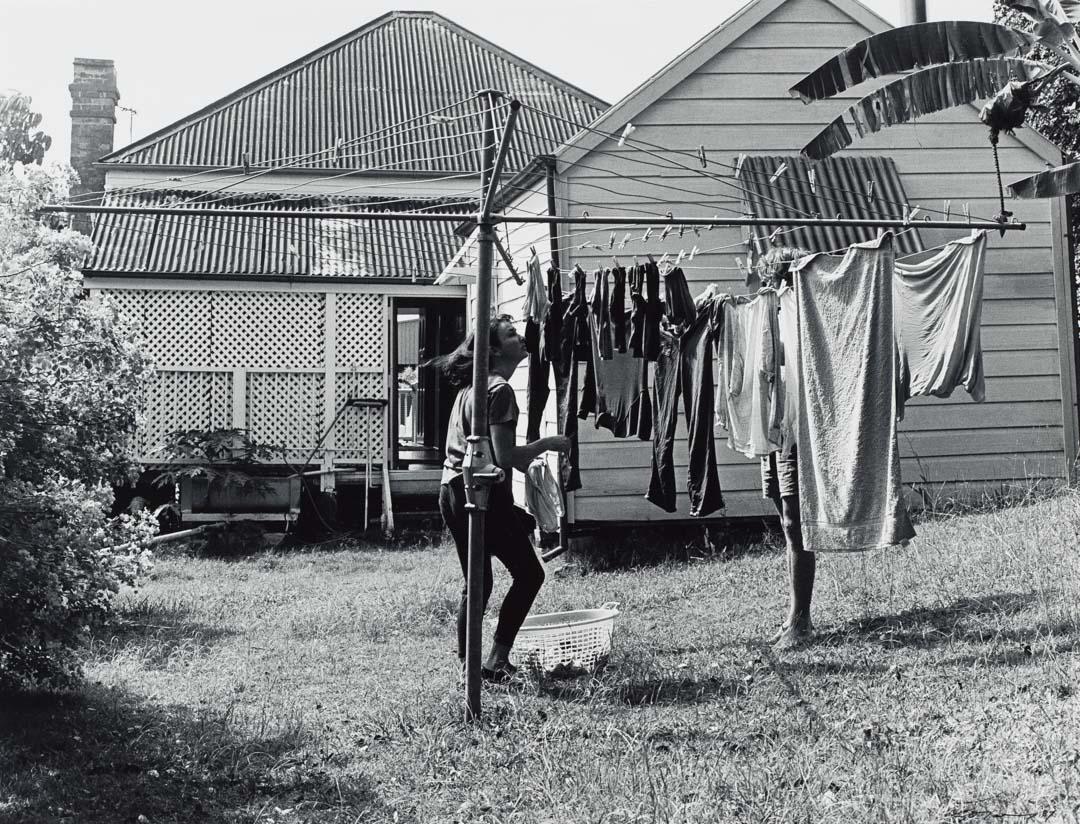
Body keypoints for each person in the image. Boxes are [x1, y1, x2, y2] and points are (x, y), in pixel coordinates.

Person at [431, 314, 571, 681]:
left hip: (451, 490)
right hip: (480, 493)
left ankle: (469, 667)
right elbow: (505, 457)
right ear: (493, 350)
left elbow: (492, 455)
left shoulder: (472, 389)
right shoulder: (500, 391)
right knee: (528, 574)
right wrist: (550, 445)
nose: (522, 337)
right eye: (511, 334)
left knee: (478, 581)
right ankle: (492, 661)